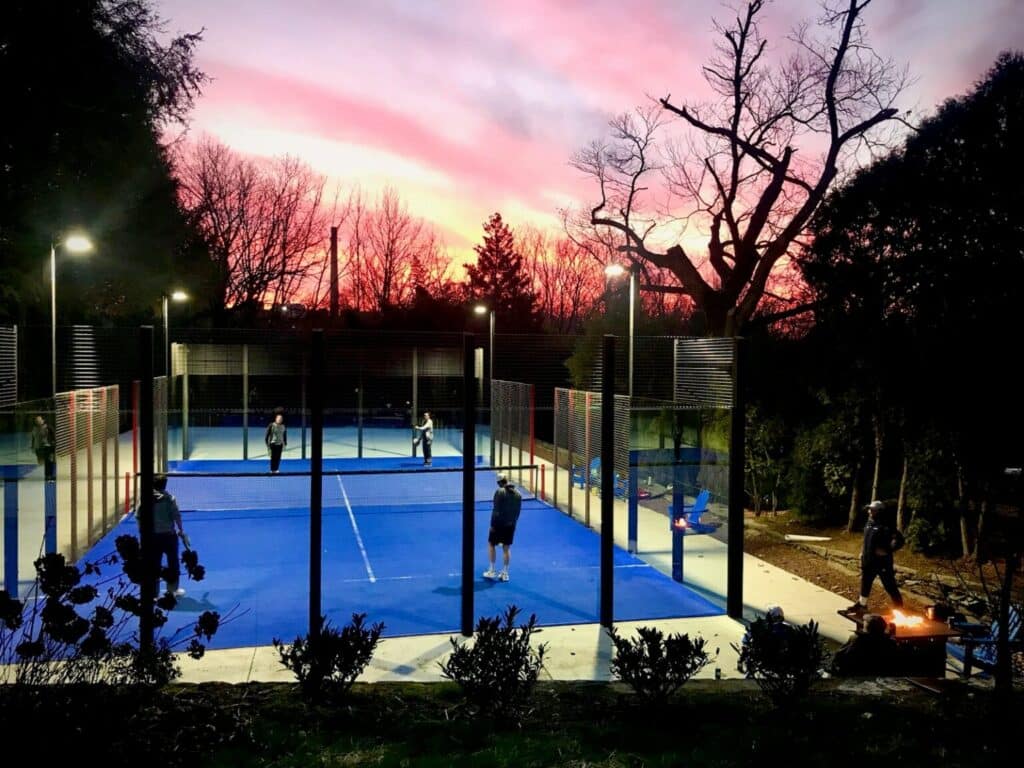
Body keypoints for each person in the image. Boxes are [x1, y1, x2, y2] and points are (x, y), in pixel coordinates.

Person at [848, 500, 905, 614]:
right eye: (869, 509)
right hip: (868, 560)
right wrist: (862, 552)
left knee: (889, 585)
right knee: (866, 582)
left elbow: (899, 540)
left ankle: (899, 608)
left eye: (872, 510)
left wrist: (888, 550)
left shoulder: (886, 525)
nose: (869, 511)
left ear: (879, 511)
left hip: (882, 562)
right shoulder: (869, 523)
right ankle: (862, 605)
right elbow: (866, 540)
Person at [831, 613, 902, 676]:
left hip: (858, 673)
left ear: (866, 626)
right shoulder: (889, 642)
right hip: (880, 673)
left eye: (864, 621)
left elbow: (840, 656)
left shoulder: (857, 639)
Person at [151, 474, 186, 597]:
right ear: (165, 485)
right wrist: (181, 530)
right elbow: (176, 515)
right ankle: (172, 590)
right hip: (169, 536)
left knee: (154, 564)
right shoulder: (170, 498)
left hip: (153, 537)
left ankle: (153, 593)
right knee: (173, 563)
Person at [484, 473, 522, 582]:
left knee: (491, 544)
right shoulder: (518, 494)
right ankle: (505, 573)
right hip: (510, 525)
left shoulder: (499, 492)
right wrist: (513, 524)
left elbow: (496, 510)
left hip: (498, 524)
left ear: (499, 483)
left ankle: (491, 571)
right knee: (506, 548)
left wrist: (492, 525)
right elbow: (517, 512)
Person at [31, 415, 55, 481]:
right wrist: (32, 446)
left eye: (39, 420)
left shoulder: (48, 427)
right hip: (38, 448)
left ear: (43, 420)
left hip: (47, 447)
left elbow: (53, 436)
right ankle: (45, 475)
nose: (38, 421)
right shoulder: (34, 428)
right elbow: (33, 438)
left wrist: (52, 445)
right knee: (41, 462)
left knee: (49, 462)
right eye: (36, 421)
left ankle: (49, 475)